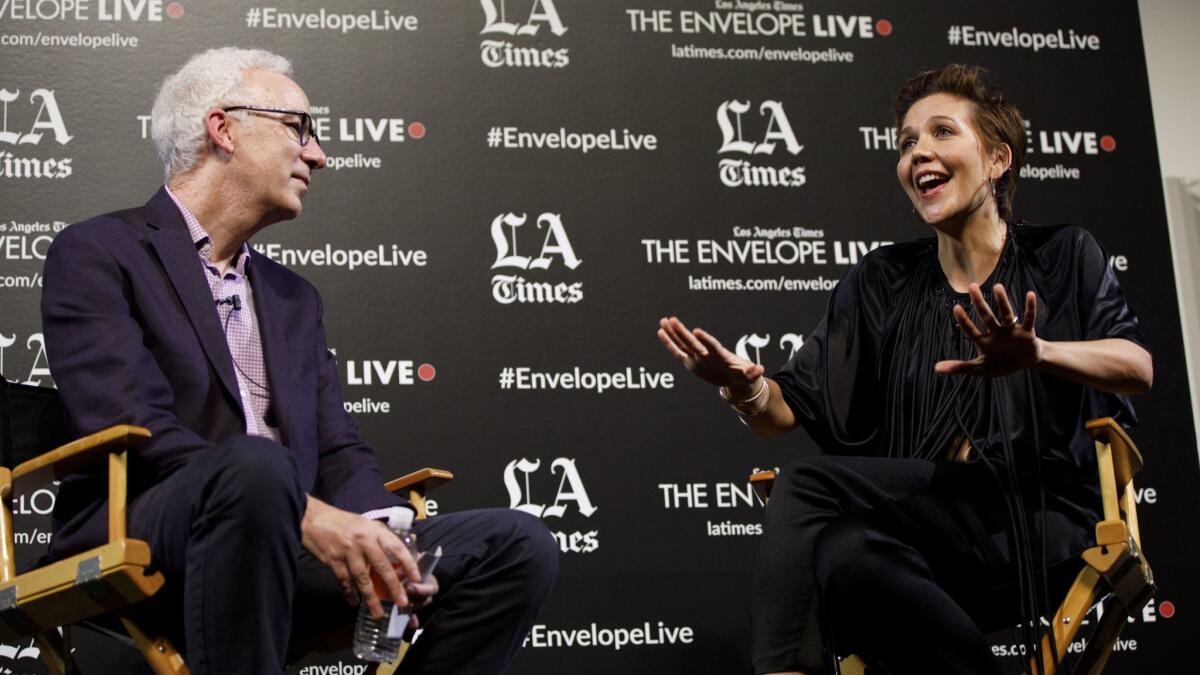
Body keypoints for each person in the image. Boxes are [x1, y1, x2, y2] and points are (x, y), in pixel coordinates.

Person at [41, 47, 557, 674]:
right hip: (152, 528)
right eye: (300, 128)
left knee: (517, 544)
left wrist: (376, 530)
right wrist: (303, 509)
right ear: (223, 128)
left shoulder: (294, 298)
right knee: (257, 470)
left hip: (288, 539)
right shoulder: (99, 252)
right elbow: (128, 422)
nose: (318, 155)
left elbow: (338, 448)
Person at [658, 64, 1152, 675]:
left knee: (807, 487)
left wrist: (1039, 353)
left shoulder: (1063, 255)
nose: (920, 152)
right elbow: (790, 406)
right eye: (907, 143)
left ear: (997, 160)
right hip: (929, 517)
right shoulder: (882, 280)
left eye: (942, 132)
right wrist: (746, 385)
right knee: (844, 554)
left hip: (1041, 517)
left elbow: (1137, 366)